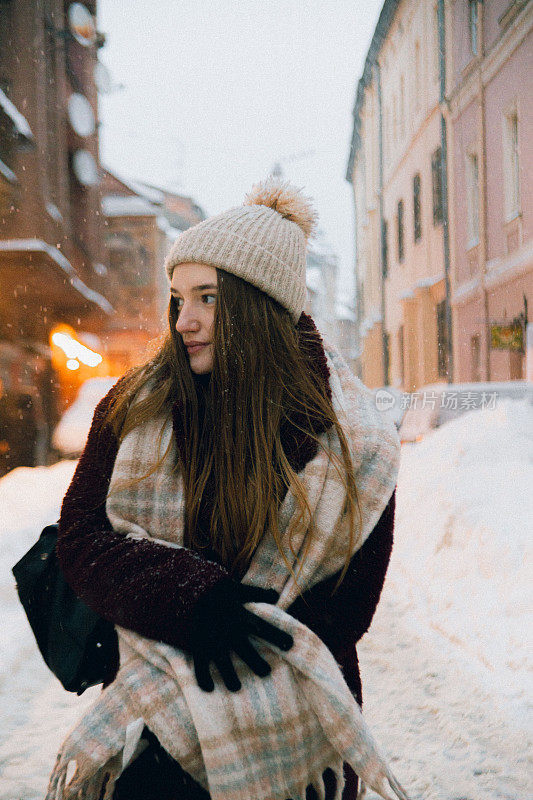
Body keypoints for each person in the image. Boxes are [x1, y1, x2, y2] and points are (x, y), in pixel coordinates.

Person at [46, 179, 408, 800]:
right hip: (155, 728)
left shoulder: (352, 436)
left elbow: (349, 606)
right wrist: (193, 603)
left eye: (208, 298)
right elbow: (82, 539)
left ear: (259, 306)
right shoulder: (135, 406)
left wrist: (245, 641)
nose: (183, 321)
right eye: (178, 297)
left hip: (296, 728)